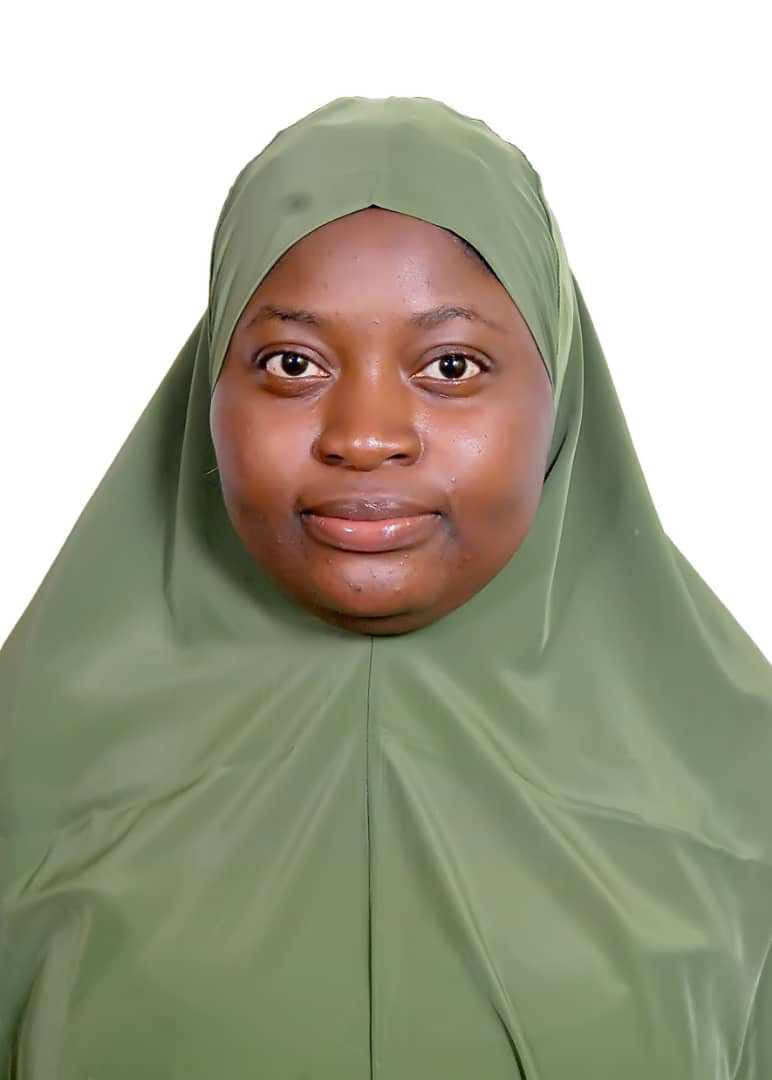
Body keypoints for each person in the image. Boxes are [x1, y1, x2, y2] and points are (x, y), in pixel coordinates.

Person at [1, 95, 770, 1078]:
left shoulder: (738, 784)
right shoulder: (29, 774)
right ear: (210, 391)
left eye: (451, 365)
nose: (364, 435)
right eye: (292, 363)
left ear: (560, 395)